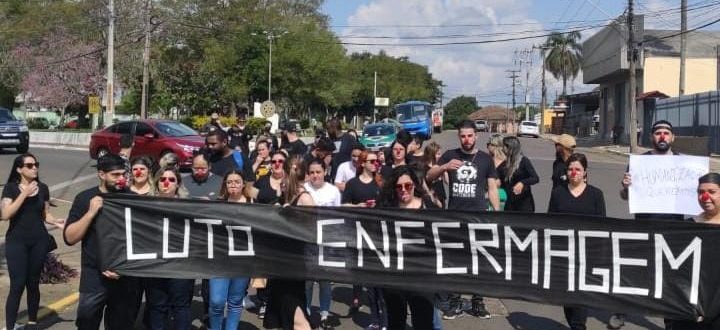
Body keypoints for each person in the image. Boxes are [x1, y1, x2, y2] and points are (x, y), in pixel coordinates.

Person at [426, 119, 500, 319]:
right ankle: (455, 301)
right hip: (455, 217)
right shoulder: (450, 155)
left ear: (476, 136)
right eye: (463, 136)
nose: (466, 139)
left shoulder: (485, 159)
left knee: (479, 262)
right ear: (459, 137)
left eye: (470, 135)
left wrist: (497, 213)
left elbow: (492, 188)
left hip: (478, 217)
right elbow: (429, 176)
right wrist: (444, 167)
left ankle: (477, 302)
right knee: (456, 261)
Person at [620, 120, 684, 330]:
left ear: (672, 138)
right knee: (636, 273)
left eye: (666, 133)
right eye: (658, 133)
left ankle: (670, 321)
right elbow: (625, 196)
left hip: (674, 230)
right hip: (644, 227)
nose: (662, 136)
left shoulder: (684, 163)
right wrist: (626, 187)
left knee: (669, 278)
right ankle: (623, 310)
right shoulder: (640, 162)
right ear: (651, 138)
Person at [63, 154, 141, 330]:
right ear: (101, 174)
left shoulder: (133, 198)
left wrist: (126, 266)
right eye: (115, 175)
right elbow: (69, 237)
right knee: (86, 322)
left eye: (123, 174)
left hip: (125, 278)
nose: (121, 179)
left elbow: (142, 239)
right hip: (94, 278)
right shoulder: (85, 198)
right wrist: (90, 213)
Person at [2, 154, 64, 330]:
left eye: (36, 164)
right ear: (19, 169)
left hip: (39, 241)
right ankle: (10, 326)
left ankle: (32, 323)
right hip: (17, 242)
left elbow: (45, 215)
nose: (34, 168)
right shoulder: (10, 189)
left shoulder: (43, 188)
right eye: (29, 165)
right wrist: (24, 194)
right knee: (17, 284)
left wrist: (56, 221)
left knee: (33, 282)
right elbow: (5, 215)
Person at [548, 153, 605, 330]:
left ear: (585, 172)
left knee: (581, 292)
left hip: (586, 252)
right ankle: (574, 322)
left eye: (578, 169)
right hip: (563, 252)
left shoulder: (596, 194)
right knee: (567, 293)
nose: (574, 173)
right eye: (570, 169)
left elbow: (602, 224)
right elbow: (550, 221)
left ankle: (578, 325)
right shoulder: (558, 193)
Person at [378, 165, 437, 330]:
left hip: (422, 275)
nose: (403, 190)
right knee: (395, 321)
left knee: (423, 322)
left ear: (414, 186)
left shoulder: (427, 207)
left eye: (408, 185)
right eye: (399, 186)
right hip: (394, 276)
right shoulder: (385, 209)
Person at [145, 167, 193, 330]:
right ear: (157, 182)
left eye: (172, 180)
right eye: (162, 179)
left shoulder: (189, 207)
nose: (166, 183)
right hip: (155, 265)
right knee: (157, 306)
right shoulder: (144, 206)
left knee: (180, 306)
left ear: (178, 184)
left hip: (181, 266)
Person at [208, 170, 253, 330]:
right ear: (225, 185)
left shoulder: (253, 204)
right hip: (220, 259)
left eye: (237, 181)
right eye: (229, 182)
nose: (233, 185)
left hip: (243, 260)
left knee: (235, 301)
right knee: (217, 301)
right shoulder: (218, 204)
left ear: (243, 184)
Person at [303, 158, 341, 328]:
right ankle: (307, 312)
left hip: (328, 241)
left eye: (318, 172)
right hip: (308, 241)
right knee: (308, 282)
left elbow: (340, 216)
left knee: (325, 281)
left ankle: (324, 314)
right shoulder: (303, 189)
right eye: (312, 172)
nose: (315, 175)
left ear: (325, 172)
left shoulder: (333, 191)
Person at [498, 136, 539, 212]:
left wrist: (522, 183)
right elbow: (496, 175)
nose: (502, 149)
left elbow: (535, 178)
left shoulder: (523, 161)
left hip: (524, 203)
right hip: (509, 203)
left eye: (504, 146)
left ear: (510, 147)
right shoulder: (505, 164)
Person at [421, 141, 447, 208]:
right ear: (431, 155)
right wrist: (432, 197)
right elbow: (423, 185)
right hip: (431, 199)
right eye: (438, 154)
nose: (440, 156)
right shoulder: (424, 168)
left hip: (441, 197)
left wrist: (444, 170)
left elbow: (447, 181)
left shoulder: (439, 165)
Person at [486, 134, 507, 210]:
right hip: (487, 197)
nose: (487, 147)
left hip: (503, 198)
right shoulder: (486, 159)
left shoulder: (507, 162)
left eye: (488, 144)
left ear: (496, 145)